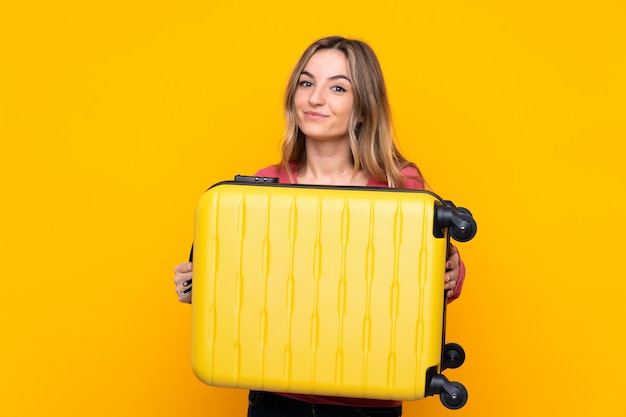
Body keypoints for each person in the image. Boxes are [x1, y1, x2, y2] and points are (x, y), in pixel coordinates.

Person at [173, 35, 466, 417]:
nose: (315, 99)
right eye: (306, 83)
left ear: (363, 107)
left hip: (369, 402)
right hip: (276, 399)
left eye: (338, 88)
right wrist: (200, 286)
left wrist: (453, 272)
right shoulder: (264, 187)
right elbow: (248, 289)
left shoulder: (401, 188)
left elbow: (428, 288)